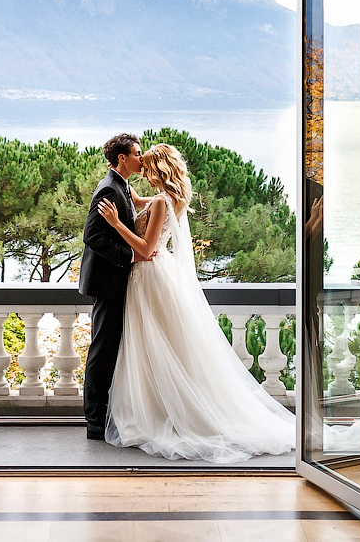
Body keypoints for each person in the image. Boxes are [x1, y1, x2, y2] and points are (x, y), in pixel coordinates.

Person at [94, 142, 295, 463]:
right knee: (159, 347)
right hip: (157, 276)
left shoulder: (162, 201)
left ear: (159, 169)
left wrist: (117, 224)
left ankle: (161, 411)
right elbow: (144, 204)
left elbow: (146, 249)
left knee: (152, 346)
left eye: (147, 166)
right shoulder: (171, 198)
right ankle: (162, 405)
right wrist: (126, 189)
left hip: (148, 276)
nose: (143, 171)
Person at [78, 132, 151, 440]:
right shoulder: (108, 189)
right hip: (108, 281)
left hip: (117, 279)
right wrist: (131, 256)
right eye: (137, 153)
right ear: (122, 158)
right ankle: (95, 423)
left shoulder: (123, 185)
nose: (141, 157)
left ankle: (109, 414)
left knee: (111, 349)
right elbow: (92, 236)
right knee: (102, 351)